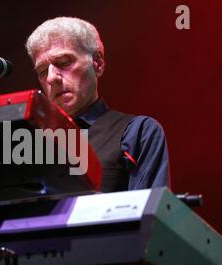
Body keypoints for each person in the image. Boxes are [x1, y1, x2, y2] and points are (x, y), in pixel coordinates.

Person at [25, 16, 170, 192]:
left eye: (63, 63)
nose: (51, 78)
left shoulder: (138, 132)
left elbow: (149, 214)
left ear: (98, 63)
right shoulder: (28, 140)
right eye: (42, 71)